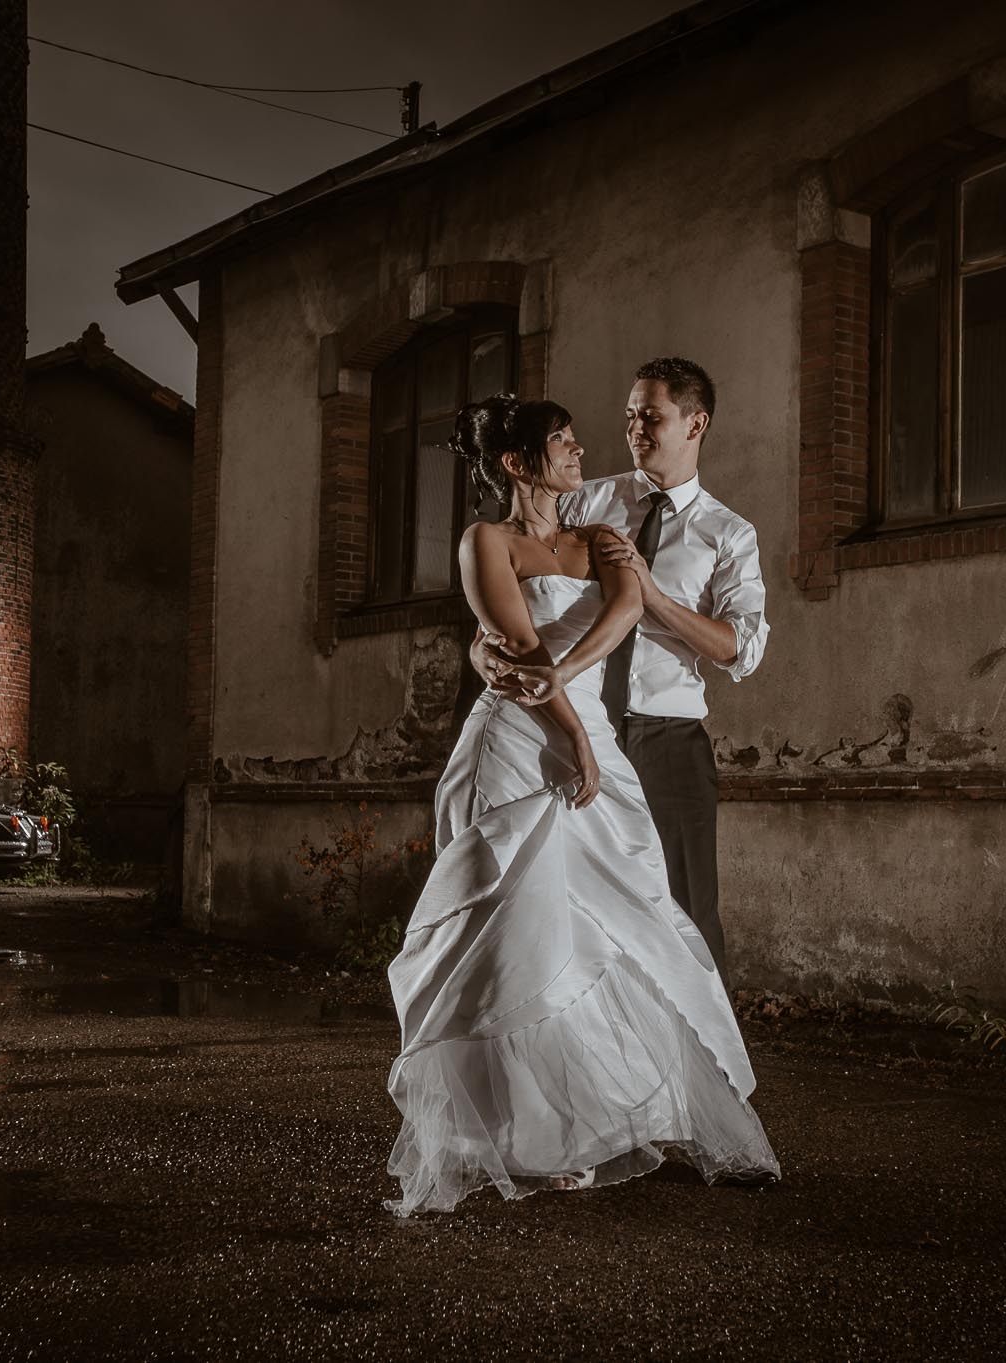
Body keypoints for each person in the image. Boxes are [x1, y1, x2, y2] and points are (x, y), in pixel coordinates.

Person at [384, 392, 778, 1218]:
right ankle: (523, 1127)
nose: (605, 439)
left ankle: (644, 1113)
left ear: (696, 422)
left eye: (650, 416)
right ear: (518, 464)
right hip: (530, 739)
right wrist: (532, 691)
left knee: (639, 922)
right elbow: (511, 631)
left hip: (632, 729)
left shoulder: (638, 529)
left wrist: (563, 685)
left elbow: (637, 608)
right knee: (515, 934)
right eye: (565, 439)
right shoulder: (540, 517)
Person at [475, 357, 766, 975]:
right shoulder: (587, 501)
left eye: (652, 417)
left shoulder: (728, 534)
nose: (636, 429)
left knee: (686, 909)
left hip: (669, 738)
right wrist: (481, 645)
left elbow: (739, 647)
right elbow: (525, 586)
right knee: (579, 907)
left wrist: (655, 597)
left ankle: (702, 1064)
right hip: (578, 727)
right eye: (631, 415)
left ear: (696, 423)